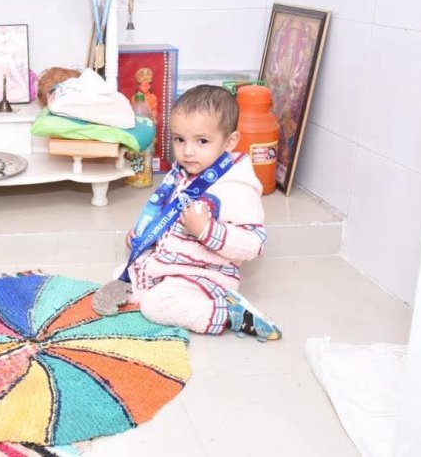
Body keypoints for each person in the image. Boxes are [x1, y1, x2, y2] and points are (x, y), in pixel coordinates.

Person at [92, 85, 282, 342]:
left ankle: (230, 314)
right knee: (122, 274)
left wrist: (207, 230)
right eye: (180, 139)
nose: (187, 151)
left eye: (202, 141)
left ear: (230, 142)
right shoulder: (182, 173)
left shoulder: (236, 188)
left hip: (204, 274)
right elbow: (167, 216)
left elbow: (254, 244)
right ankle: (158, 287)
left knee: (155, 307)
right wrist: (145, 237)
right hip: (171, 262)